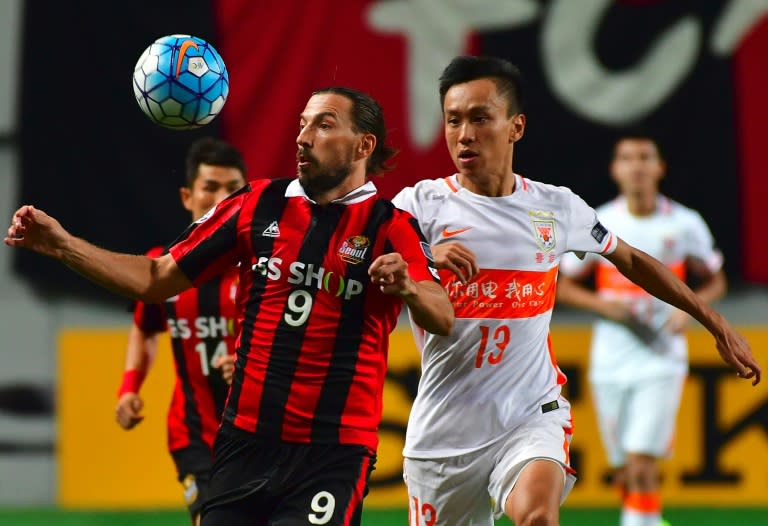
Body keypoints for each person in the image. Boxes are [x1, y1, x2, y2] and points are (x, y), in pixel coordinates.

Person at [5, 86, 454, 526]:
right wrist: (66, 247)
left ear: (363, 144)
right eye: (302, 124)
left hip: (331, 456)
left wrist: (410, 289)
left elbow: (442, 313)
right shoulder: (255, 205)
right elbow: (156, 278)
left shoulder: (390, 226)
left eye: (323, 124)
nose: (303, 136)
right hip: (243, 444)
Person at [391, 55, 760, 526]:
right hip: (444, 427)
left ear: (515, 127)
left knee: (538, 518)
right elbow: (361, 260)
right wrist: (420, 256)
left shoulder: (556, 207)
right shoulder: (418, 206)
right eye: (453, 120)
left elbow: (631, 260)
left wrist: (716, 322)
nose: (464, 134)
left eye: (480, 118)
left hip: (530, 413)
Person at [556, 134, 727, 526]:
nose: (636, 166)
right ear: (615, 169)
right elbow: (562, 283)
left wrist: (690, 311)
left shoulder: (684, 223)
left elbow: (716, 280)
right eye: (627, 158)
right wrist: (602, 305)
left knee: (641, 460)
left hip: (661, 357)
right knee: (623, 468)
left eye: (645, 158)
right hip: (610, 360)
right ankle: (649, 520)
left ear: (659, 167)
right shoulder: (600, 222)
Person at [114, 137, 247, 525]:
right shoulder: (162, 268)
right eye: (211, 187)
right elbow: (145, 327)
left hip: (260, 434)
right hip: (194, 435)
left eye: (233, 189)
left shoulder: (264, 266)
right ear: (188, 196)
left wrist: (250, 361)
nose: (222, 198)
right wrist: (128, 388)